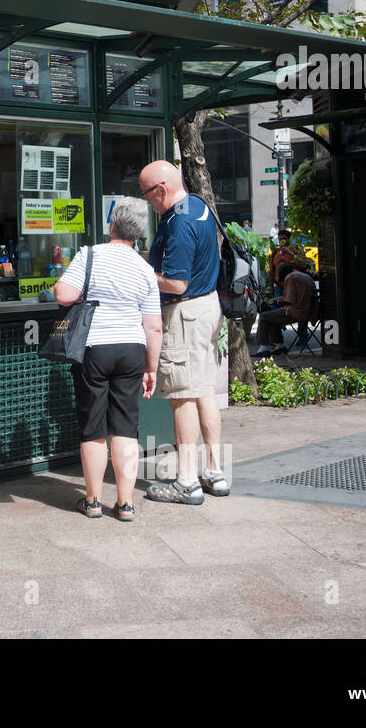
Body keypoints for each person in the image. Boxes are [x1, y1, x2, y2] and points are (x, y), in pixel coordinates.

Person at [53, 198, 163, 522]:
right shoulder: (144, 269)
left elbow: (64, 295)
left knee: (93, 426)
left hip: (95, 347)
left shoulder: (89, 255)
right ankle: (126, 503)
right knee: (126, 426)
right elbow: (154, 325)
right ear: (139, 233)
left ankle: (93, 501)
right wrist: (150, 367)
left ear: (111, 224)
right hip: (131, 350)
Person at [138, 160, 229, 504]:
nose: (148, 202)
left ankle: (186, 481)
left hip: (185, 314)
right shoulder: (199, 205)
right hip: (207, 307)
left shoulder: (179, 223)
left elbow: (176, 283)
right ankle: (214, 473)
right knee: (204, 388)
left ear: (160, 190)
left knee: (182, 397)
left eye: (147, 194)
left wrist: (144, 275)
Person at [255, 262, 317, 356]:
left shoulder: (291, 277)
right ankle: (279, 346)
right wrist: (276, 299)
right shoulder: (305, 276)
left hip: (297, 311)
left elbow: (289, 300)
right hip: (309, 310)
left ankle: (263, 347)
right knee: (273, 316)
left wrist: (277, 302)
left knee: (264, 316)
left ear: (284, 273)